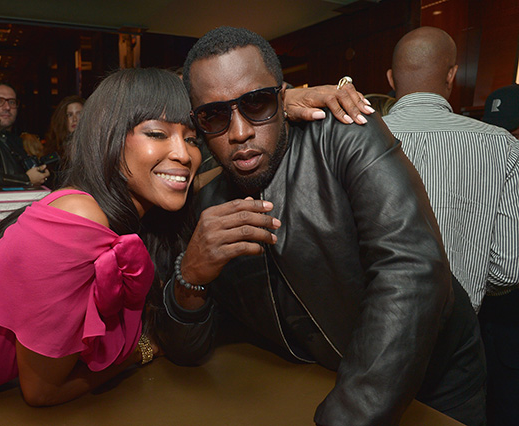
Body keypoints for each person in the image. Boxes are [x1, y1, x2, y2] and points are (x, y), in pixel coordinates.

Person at [156, 26, 486, 426]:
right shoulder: (206, 205)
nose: (240, 132)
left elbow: (411, 268)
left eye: (257, 103)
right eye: (215, 115)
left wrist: (347, 417)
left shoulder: (344, 134)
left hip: (436, 376)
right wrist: (190, 275)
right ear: (198, 123)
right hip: (321, 378)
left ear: (282, 98)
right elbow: (187, 350)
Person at [0, 68, 202, 424]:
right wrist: (141, 352)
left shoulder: (99, 210)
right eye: (157, 133)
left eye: (192, 138)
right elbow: (42, 392)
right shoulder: (81, 217)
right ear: (109, 136)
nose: (184, 154)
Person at [382, 27, 519, 313]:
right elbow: (507, 268)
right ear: (451, 75)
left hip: (363, 324)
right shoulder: (502, 145)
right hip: (455, 325)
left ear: (391, 79)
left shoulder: (347, 138)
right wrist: (468, 277)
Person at [478, 82, 519, 426]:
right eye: (497, 133)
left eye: (514, 134)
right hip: (478, 328)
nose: (506, 143)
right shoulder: (485, 167)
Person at [43, 95, 86, 188]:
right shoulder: (55, 152)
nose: (75, 119)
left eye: (79, 114)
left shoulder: (94, 149)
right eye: (70, 115)